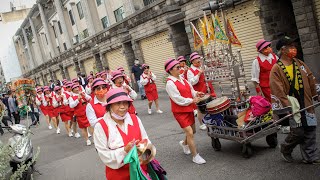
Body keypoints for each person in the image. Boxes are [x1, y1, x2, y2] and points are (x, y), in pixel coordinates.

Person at [270, 36, 320, 164]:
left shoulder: (299, 63)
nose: (294, 49)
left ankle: (310, 157)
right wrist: (287, 107)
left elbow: (311, 79)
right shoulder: (276, 69)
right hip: (292, 103)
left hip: (306, 101)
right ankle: (285, 148)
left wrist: (317, 93)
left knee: (310, 128)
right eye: (291, 47)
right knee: (298, 132)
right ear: (283, 50)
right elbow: (277, 90)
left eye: (294, 46)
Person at [94, 88, 152, 179]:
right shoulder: (100, 126)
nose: (122, 107)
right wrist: (125, 151)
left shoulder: (135, 119)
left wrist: (143, 151)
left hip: (140, 173)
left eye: (125, 103)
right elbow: (104, 155)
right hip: (118, 176)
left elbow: (146, 141)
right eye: (118, 103)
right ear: (109, 106)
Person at [165, 58, 206, 164]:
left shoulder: (183, 79)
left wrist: (197, 93)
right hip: (179, 112)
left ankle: (184, 143)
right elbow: (177, 99)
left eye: (180, 67)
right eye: (177, 67)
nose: (180, 69)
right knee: (190, 133)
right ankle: (195, 156)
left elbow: (191, 90)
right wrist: (192, 100)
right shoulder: (170, 83)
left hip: (188, 108)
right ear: (170, 70)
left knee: (193, 131)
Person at [187, 52, 215, 130]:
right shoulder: (190, 70)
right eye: (197, 60)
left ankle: (210, 120)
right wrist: (199, 74)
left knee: (210, 106)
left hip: (208, 89)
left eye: (199, 59)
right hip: (199, 91)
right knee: (200, 109)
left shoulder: (203, 66)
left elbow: (210, 75)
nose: (199, 61)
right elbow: (191, 82)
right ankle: (201, 124)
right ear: (192, 61)